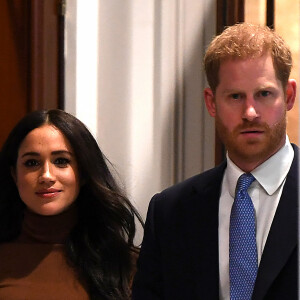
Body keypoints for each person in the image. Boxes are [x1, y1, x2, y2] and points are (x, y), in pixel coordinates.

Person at [132, 23, 298, 299]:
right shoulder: (170, 212)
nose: (250, 112)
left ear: (289, 96)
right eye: (235, 96)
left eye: (264, 94)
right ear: (211, 102)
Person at [0, 109, 143, 300]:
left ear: (83, 172)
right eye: (32, 163)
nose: (46, 176)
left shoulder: (126, 264)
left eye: (61, 161)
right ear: (14, 175)